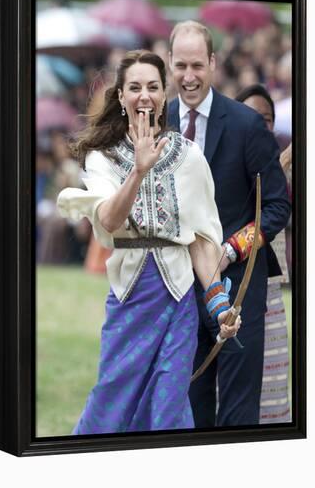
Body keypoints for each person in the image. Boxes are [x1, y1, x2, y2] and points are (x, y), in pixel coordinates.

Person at [57, 50, 240, 434]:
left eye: (153, 87)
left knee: (169, 406)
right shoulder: (102, 157)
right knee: (112, 397)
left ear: (164, 93)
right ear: (121, 97)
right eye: (135, 87)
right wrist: (138, 172)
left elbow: (201, 242)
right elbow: (108, 219)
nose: (145, 95)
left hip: (179, 300)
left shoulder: (189, 156)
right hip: (130, 297)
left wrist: (220, 306)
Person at [167, 21, 291, 427]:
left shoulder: (246, 125)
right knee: (188, 410)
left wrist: (232, 249)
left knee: (237, 416)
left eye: (197, 65)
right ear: (170, 64)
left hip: (237, 286)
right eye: (181, 65)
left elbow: (275, 207)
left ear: (214, 63)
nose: (189, 76)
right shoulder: (157, 124)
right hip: (176, 291)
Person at [235, 84, 292, 423]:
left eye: (266, 120)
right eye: (252, 118)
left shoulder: (281, 168)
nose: (260, 126)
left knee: (272, 389)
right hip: (231, 287)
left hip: (270, 293)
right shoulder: (226, 164)